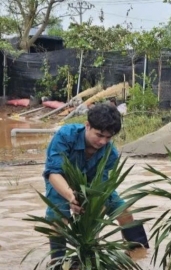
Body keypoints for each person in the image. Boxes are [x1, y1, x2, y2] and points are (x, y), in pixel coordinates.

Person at [43, 104, 149, 265]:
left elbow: (102, 187)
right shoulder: (66, 136)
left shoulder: (110, 153)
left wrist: (95, 212)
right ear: (87, 125)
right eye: (99, 135)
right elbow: (53, 172)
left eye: (108, 137)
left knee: (124, 211)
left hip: (94, 187)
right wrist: (71, 197)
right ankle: (57, 262)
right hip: (62, 182)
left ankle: (138, 255)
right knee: (58, 218)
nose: (103, 141)